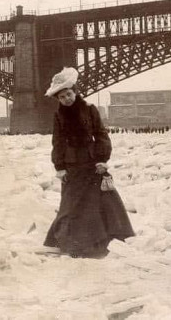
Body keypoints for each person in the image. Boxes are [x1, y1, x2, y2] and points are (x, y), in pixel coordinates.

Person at [43, 67, 135, 258]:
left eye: (69, 94)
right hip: (71, 166)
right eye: (62, 97)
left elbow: (100, 134)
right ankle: (70, 243)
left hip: (91, 162)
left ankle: (99, 243)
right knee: (70, 204)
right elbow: (57, 141)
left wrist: (102, 159)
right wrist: (59, 167)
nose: (67, 99)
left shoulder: (90, 110)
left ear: (75, 92)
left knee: (97, 202)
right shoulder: (58, 116)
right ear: (58, 100)